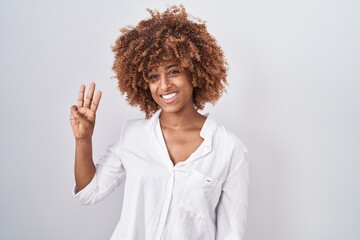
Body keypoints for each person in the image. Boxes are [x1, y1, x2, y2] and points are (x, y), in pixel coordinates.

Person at [70, 5, 249, 240]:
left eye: (173, 72)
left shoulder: (229, 148)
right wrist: (83, 140)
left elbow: (231, 233)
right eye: (154, 76)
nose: (164, 86)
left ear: (193, 73)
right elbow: (89, 193)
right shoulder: (132, 135)